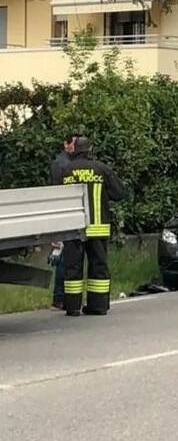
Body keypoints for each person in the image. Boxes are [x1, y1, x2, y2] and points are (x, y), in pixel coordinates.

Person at [58, 137, 127, 316]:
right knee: (98, 265)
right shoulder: (102, 168)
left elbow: (55, 195)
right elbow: (119, 193)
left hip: (73, 227)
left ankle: (72, 307)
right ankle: (98, 306)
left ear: (74, 150)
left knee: (72, 266)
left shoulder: (65, 170)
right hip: (98, 226)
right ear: (90, 150)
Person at [49, 132, 79, 310]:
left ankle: (64, 296)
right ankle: (59, 297)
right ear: (66, 144)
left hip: (69, 214)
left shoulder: (67, 162)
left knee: (67, 257)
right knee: (64, 258)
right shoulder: (62, 163)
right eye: (74, 144)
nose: (76, 148)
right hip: (64, 215)